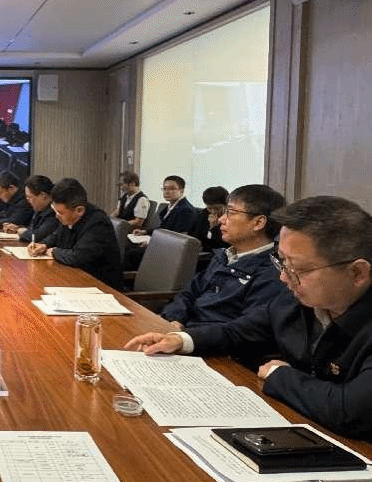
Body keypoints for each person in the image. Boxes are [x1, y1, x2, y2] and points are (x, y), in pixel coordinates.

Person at [127, 196, 372, 439]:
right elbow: (238, 331)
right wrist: (182, 340)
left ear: (357, 273)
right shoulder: (295, 300)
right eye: (282, 262)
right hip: (305, 426)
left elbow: (349, 411)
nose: (283, 278)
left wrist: (280, 375)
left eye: (298, 269)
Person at [159, 184, 287, 328]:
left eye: (231, 212)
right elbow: (188, 293)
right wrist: (174, 319)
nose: (221, 219)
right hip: (181, 331)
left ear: (258, 223)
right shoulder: (224, 256)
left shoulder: (271, 273)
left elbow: (246, 329)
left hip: (203, 338)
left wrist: (187, 337)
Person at [28, 177, 123, 290]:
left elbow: (77, 257)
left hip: (100, 287)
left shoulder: (98, 223)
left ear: (79, 210)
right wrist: (44, 245)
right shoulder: (69, 217)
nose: (56, 216)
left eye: (60, 212)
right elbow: (56, 236)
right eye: (55, 211)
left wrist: (53, 251)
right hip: (74, 279)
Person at [2, 174, 59, 244]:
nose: (28, 201)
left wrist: (20, 230)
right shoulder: (40, 209)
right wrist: (17, 228)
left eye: (30, 197)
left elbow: (36, 237)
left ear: (43, 195)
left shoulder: (54, 212)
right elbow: (32, 229)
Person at [192, 186, 230, 251]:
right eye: (209, 208)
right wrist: (210, 228)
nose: (213, 211)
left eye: (217, 208)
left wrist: (214, 228)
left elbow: (224, 245)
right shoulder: (202, 215)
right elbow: (196, 239)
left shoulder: (230, 218)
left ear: (226, 205)